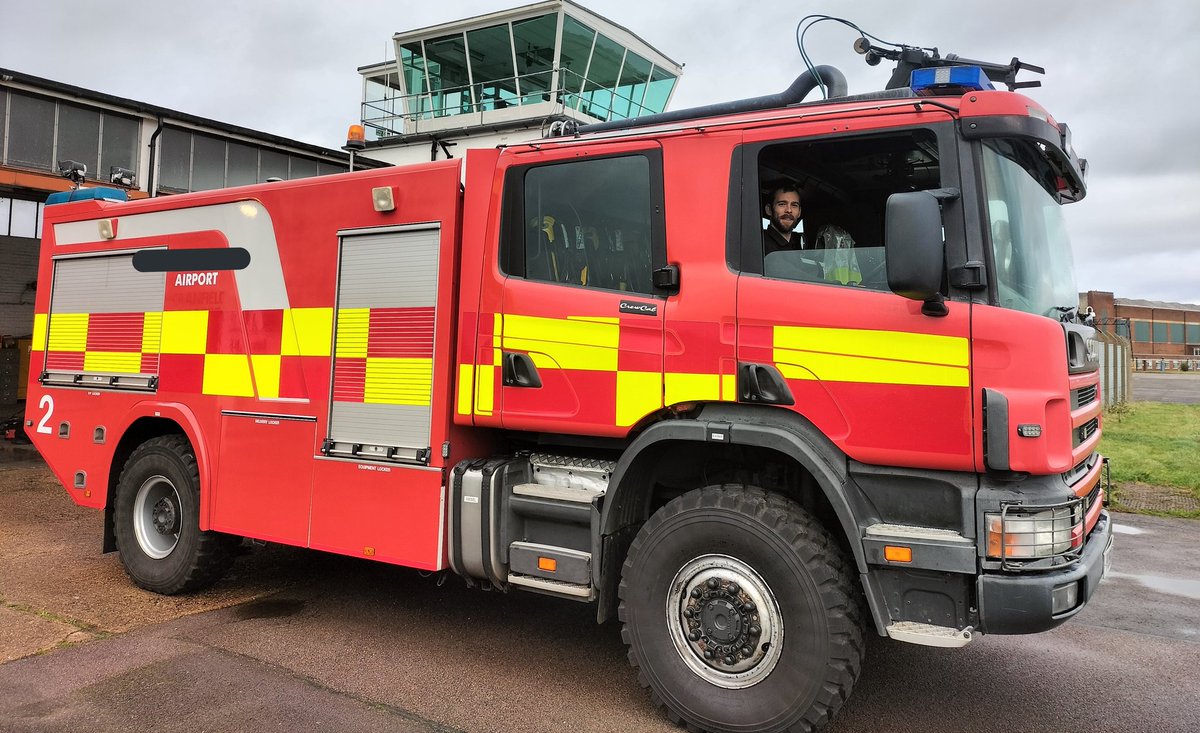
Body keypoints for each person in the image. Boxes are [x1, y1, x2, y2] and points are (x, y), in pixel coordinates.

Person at [762, 183, 803, 255]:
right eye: (782, 204)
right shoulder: (760, 244)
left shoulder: (797, 246)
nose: (789, 210)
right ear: (769, 210)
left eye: (794, 205)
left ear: (799, 212)